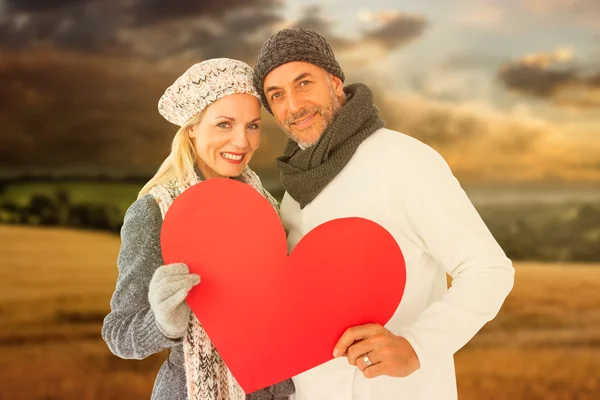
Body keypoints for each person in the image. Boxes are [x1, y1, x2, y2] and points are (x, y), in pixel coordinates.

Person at [252, 28, 515, 400]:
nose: (293, 106)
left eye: (304, 83)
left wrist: (417, 345)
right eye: (276, 95)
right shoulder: (295, 190)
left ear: (335, 82)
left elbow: (488, 269)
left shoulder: (403, 162)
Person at [101, 58, 295, 400]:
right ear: (192, 127)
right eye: (224, 124)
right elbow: (118, 334)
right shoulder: (155, 212)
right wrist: (163, 322)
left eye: (252, 126)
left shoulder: (265, 204)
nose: (242, 142)